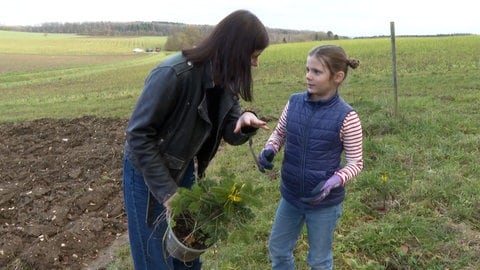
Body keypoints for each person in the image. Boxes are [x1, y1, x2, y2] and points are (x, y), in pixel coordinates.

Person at [123, 10, 270, 270]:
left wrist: (244, 121)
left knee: (188, 250)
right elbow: (138, 136)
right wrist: (168, 194)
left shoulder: (225, 79)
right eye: (253, 55)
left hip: (184, 168)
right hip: (149, 174)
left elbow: (229, 128)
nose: (255, 63)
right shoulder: (173, 74)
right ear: (235, 49)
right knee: (154, 257)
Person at [257, 44, 363, 270]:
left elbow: (356, 163)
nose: (308, 76)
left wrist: (334, 181)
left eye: (316, 71)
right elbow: (279, 134)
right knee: (278, 249)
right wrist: (270, 149)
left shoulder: (347, 117)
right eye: (307, 69)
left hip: (324, 203)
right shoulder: (293, 103)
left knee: (319, 260)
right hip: (291, 196)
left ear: (337, 77)